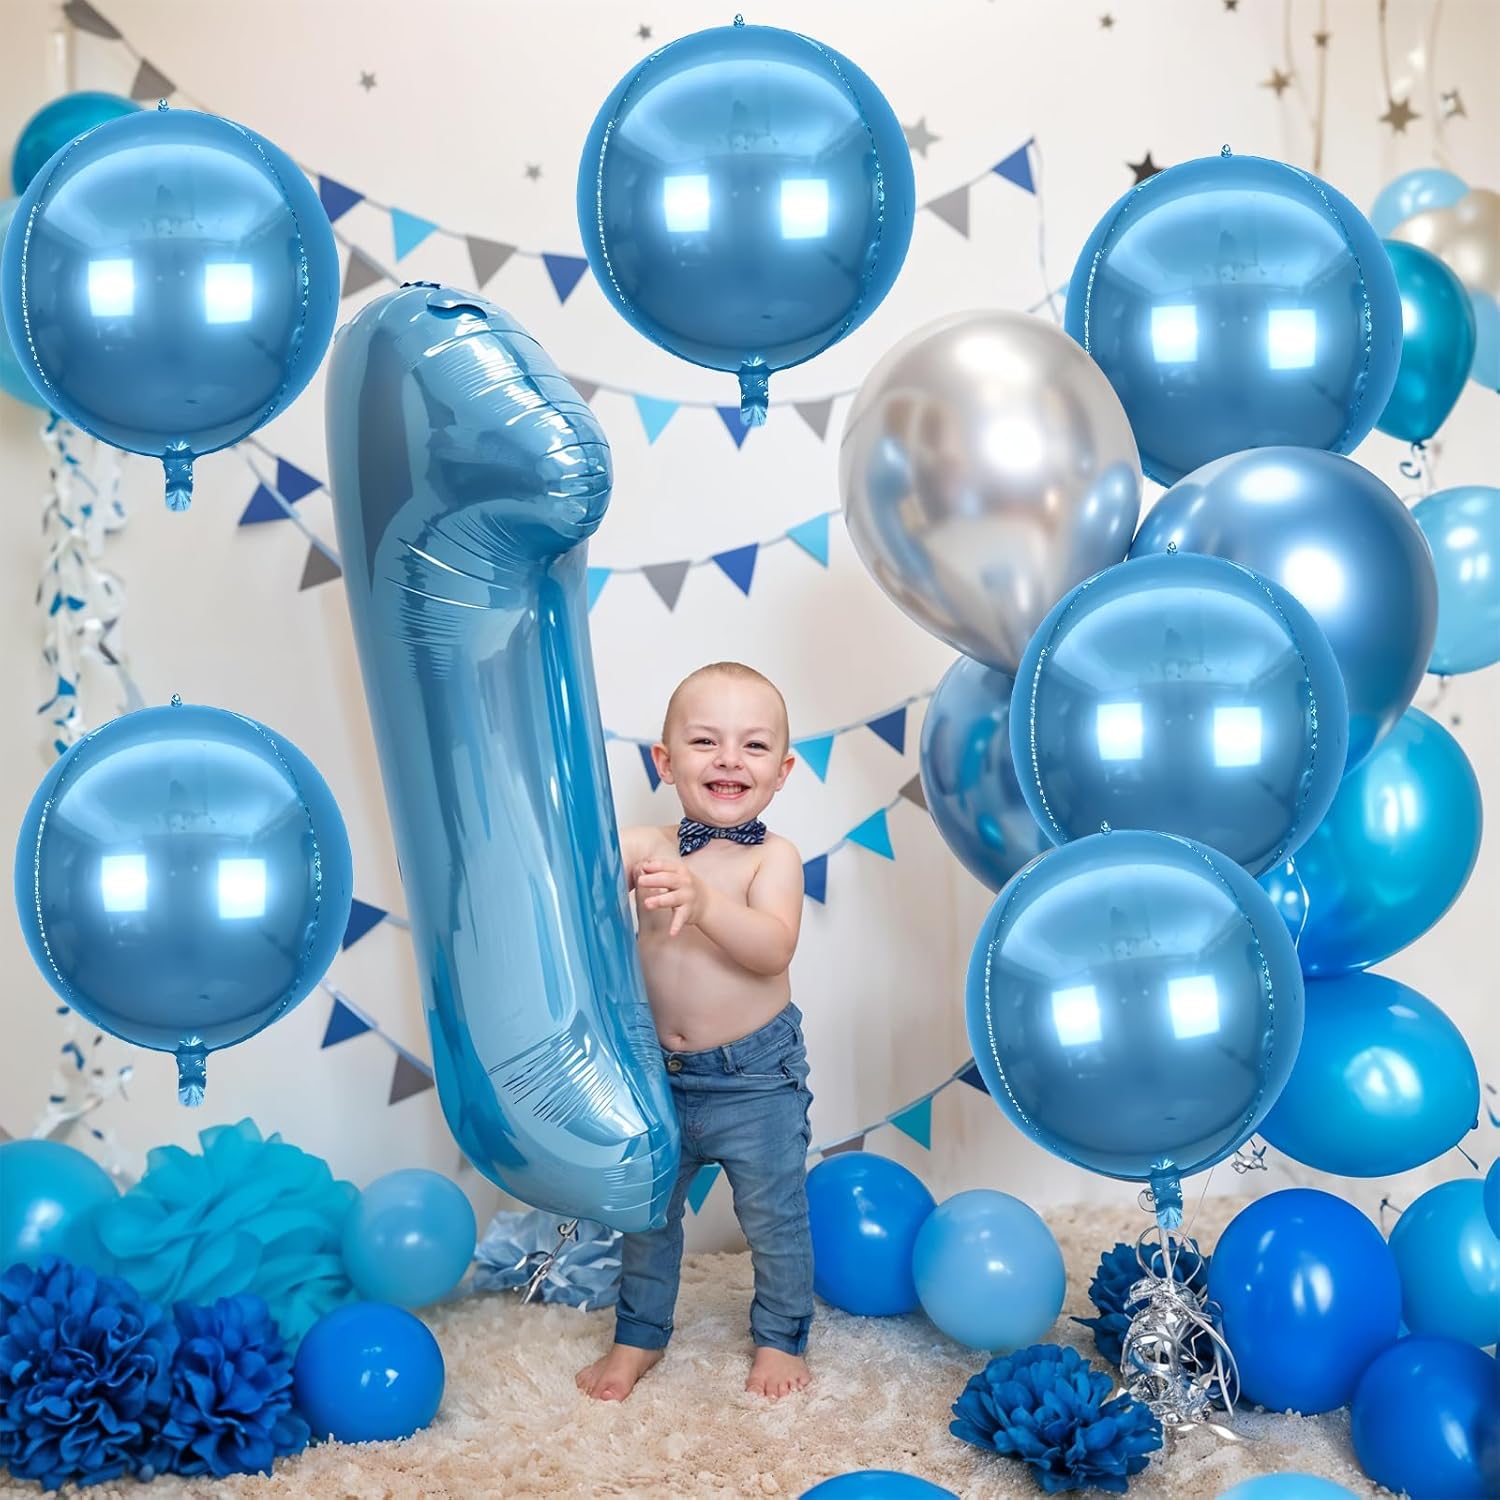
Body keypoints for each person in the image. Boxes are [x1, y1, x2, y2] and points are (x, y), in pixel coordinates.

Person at [576, 661, 813, 1401]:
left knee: (773, 1217)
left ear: (782, 771)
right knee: (646, 1217)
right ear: (666, 760)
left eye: (753, 745)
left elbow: (772, 948)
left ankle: (779, 1338)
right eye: (706, 741)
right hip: (656, 1076)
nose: (728, 759)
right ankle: (637, 1338)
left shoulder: (773, 858)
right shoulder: (649, 847)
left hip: (756, 1079)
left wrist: (705, 902)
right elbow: (578, 876)